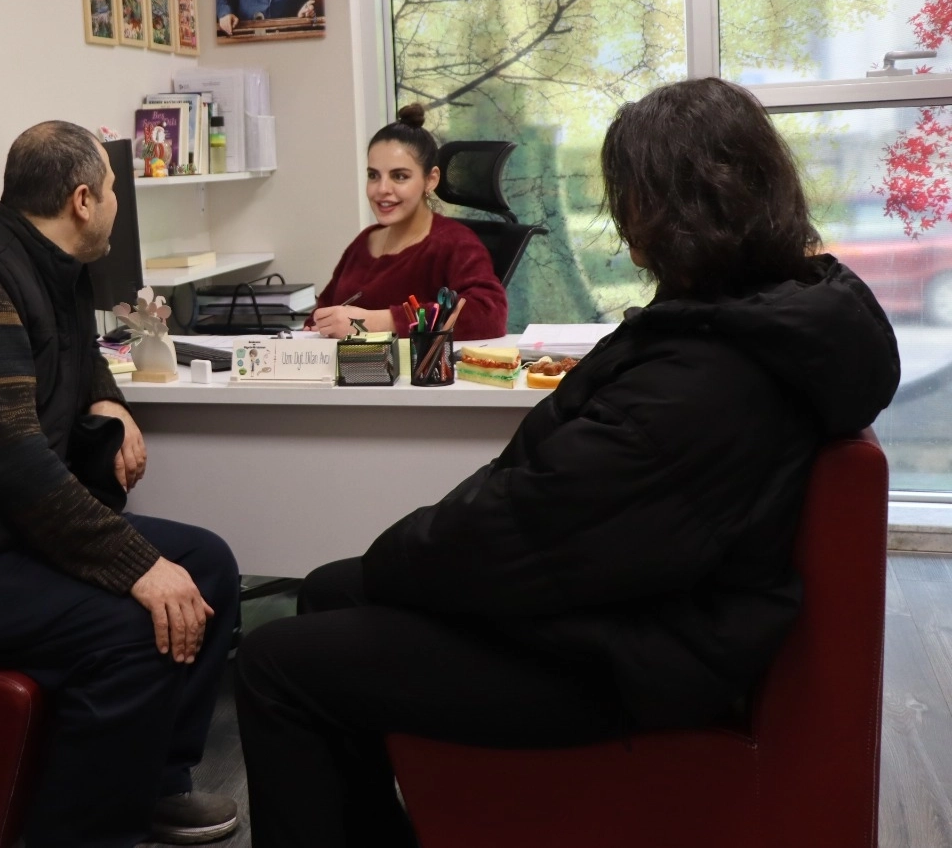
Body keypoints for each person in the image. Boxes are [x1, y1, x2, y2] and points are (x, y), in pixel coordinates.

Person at [234, 77, 901, 848]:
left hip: (629, 656)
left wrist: (398, 556)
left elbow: (536, 527)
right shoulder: (746, 318)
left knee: (274, 664)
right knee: (328, 589)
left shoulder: (708, 378)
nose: (622, 220)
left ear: (667, 209)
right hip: (648, 613)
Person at [0, 123, 242, 848]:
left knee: (208, 564)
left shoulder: (53, 265)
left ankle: (155, 782)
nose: (116, 203)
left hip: (2, 529)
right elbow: (14, 463)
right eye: (113, 190)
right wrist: (137, 566)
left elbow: (78, 353)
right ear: (83, 200)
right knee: (133, 629)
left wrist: (109, 400)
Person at [309, 103, 508, 340]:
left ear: (431, 180)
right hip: (349, 363)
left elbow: (489, 314)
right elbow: (322, 313)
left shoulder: (456, 243)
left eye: (399, 176)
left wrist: (375, 322)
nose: (382, 189)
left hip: (414, 365)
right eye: (373, 175)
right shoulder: (364, 242)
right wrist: (319, 325)